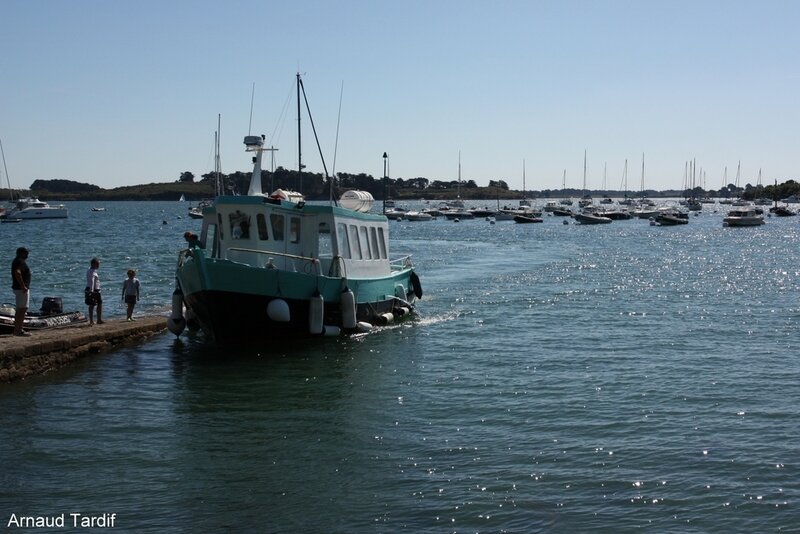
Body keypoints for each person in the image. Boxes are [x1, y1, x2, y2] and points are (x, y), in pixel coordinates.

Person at [10, 247, 31, 336]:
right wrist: (23, 286)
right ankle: (19, 330)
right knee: (22, 309)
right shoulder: (19, 261)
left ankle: (17, 330)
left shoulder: (17, 261)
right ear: (21, 253)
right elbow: (17, 273)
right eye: (26, 253)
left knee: (21, 309)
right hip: (21, 289)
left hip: (19, 288)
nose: (27, 255)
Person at [85, 257, 103, 325]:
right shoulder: (92, 271)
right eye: (97, 264)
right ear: (93, 264)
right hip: (93, 289)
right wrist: (91, 291)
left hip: (95, 288)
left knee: (99, 304)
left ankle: (98, 319)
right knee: (92, 305)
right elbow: (92, 281)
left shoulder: (90, 270)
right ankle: (92, 321)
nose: (99, 266)